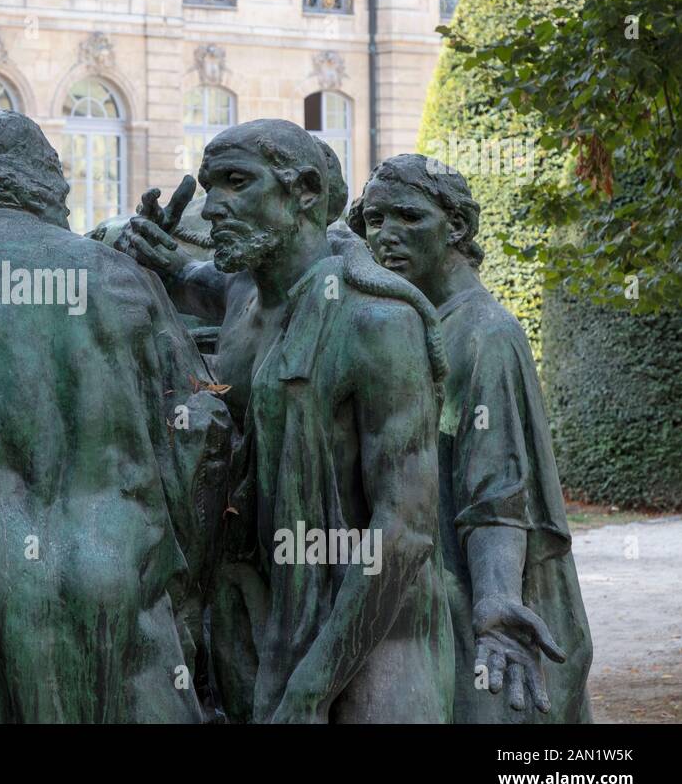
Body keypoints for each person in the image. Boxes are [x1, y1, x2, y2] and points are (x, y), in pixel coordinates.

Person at [0, 110, 233, 722]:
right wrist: (184, 572)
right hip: (120, 572)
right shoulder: (121, 279)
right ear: (50, 185)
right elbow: (198, 438)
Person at [121, 119, 454, 722]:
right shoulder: (246, 298)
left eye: (235, 182)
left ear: (303, 191)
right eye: (208, 186)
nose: (213, 206)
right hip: (265, 615)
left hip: (370, 631)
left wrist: (311, 690)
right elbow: (197, 280)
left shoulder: (377, 321)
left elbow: (404, 529)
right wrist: (147, 256)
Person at [347, 153, 593, 722]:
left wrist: (496, 598)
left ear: (455, 226)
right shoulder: (414, 324)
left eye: (406, 217)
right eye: (374, 221)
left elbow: (498, 492)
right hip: (441, 593)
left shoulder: (485, 333)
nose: (385, 237)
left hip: (484, 594)